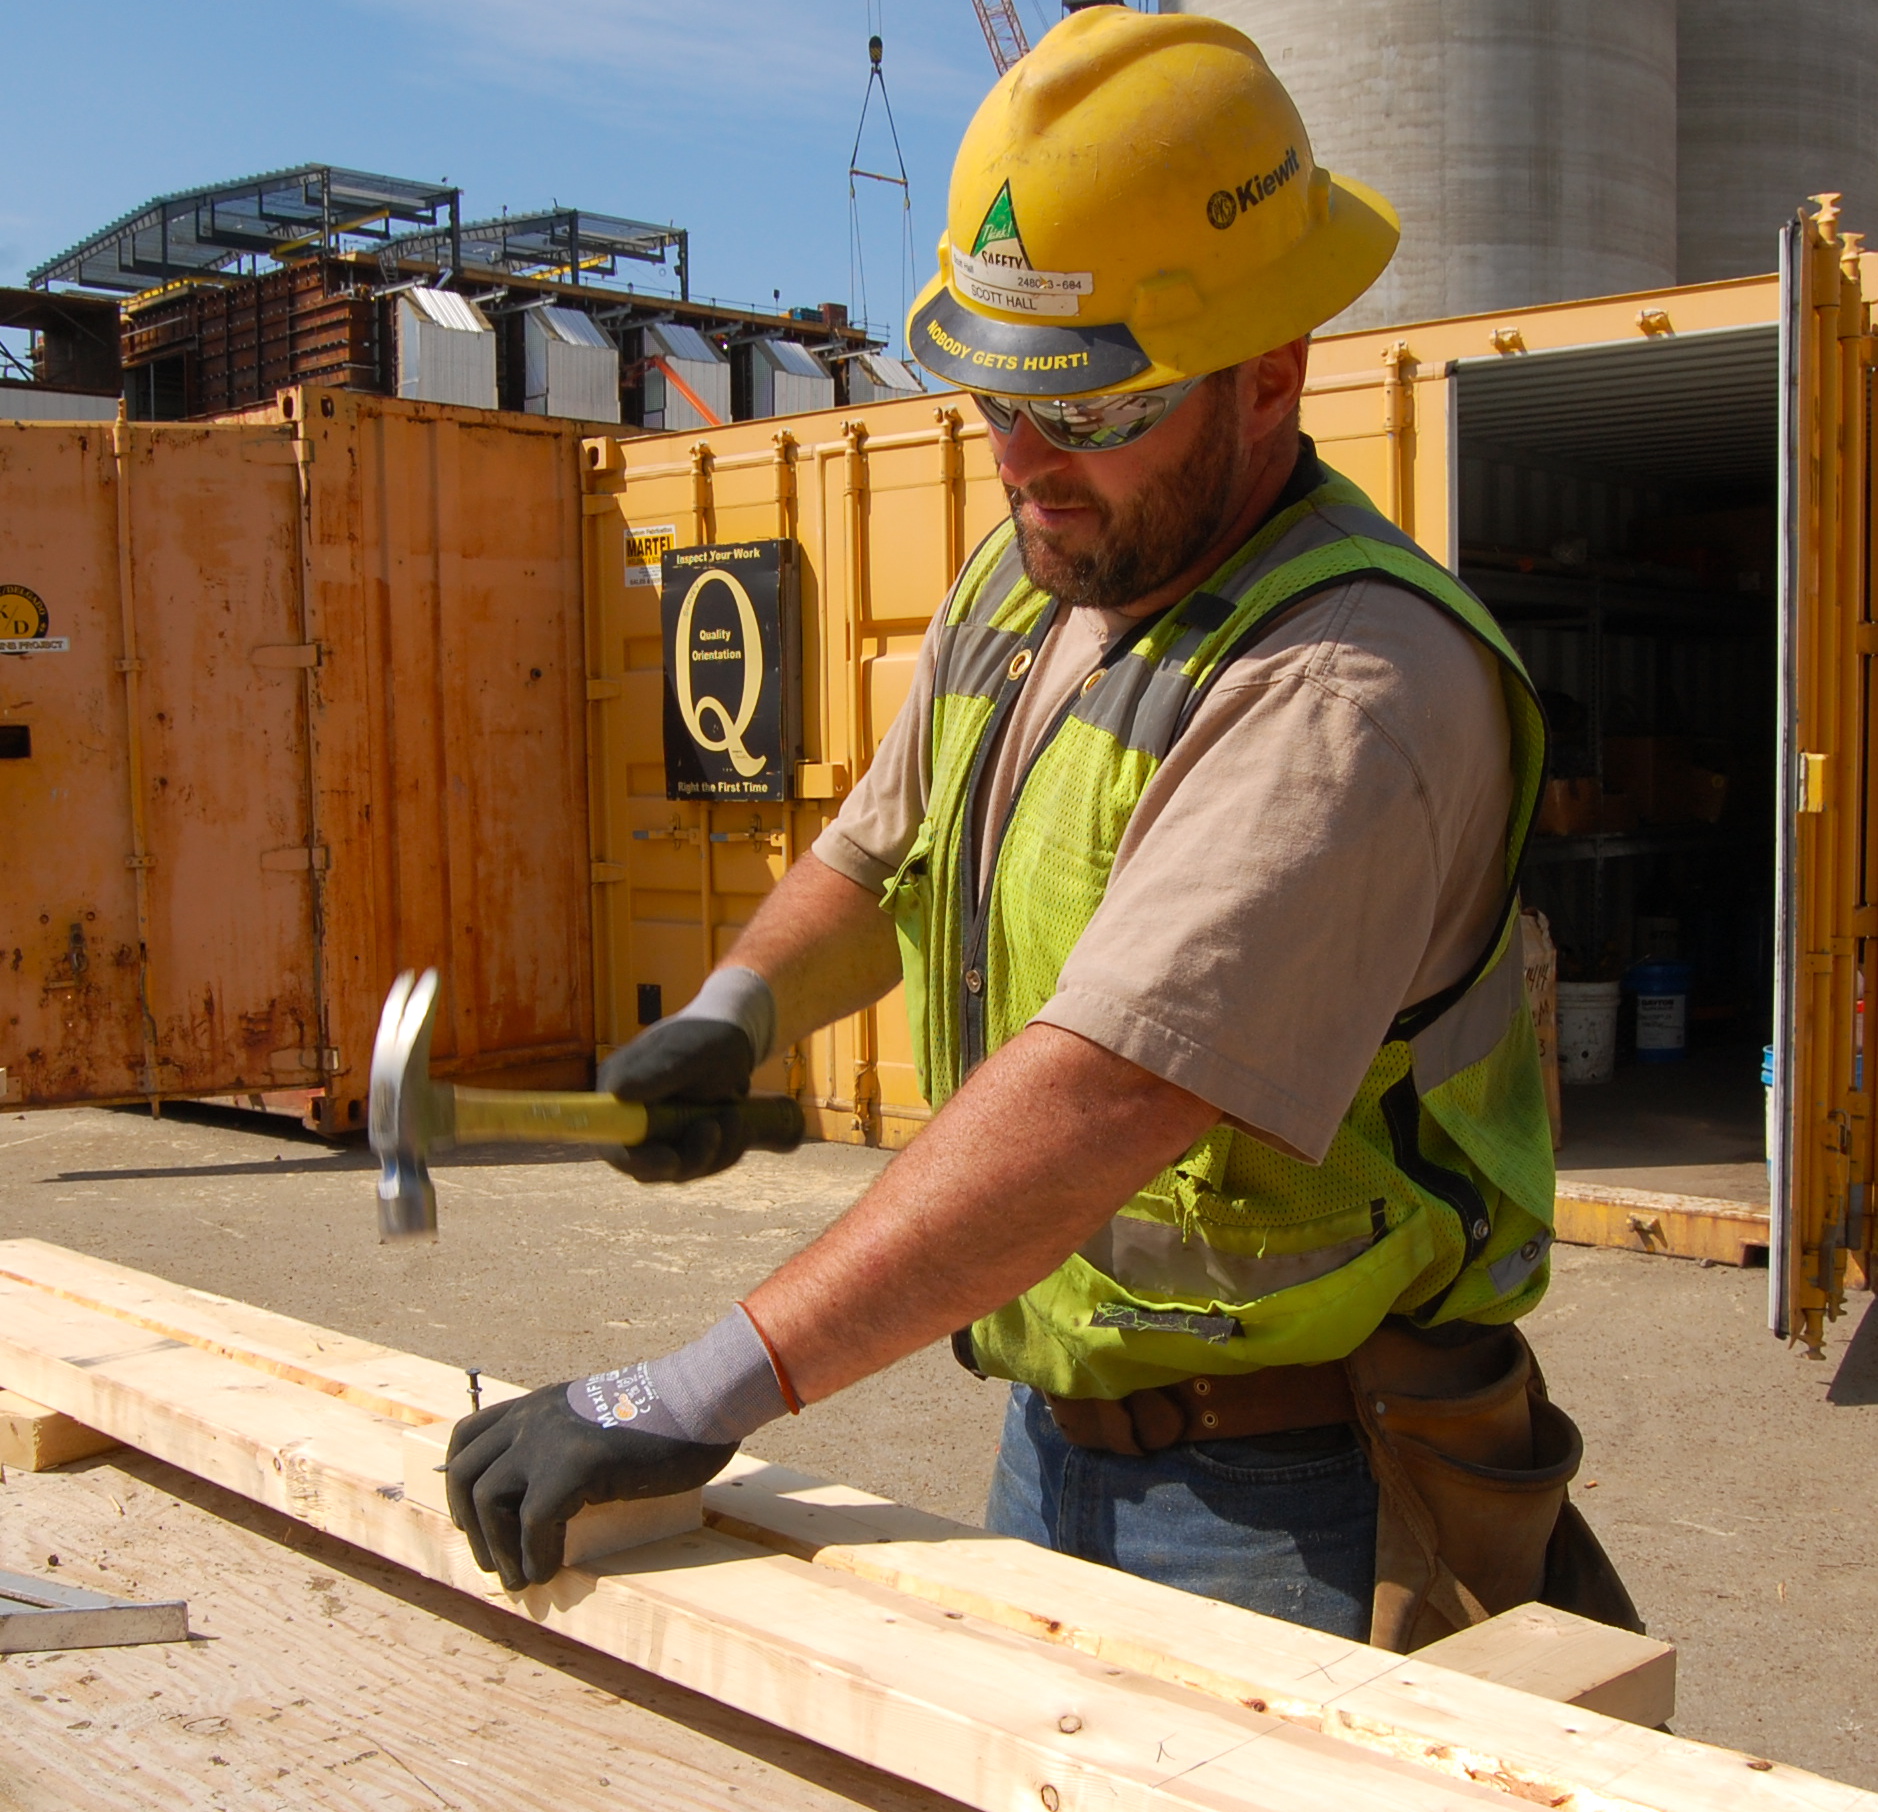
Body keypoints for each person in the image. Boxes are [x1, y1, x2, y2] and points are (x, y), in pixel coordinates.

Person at [445, 8, 1577, 1649]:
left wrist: (686, 1391)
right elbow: (874, 850)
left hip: (1298, 1485)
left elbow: (1109, 1092)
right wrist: (728, 1018)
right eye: (991, 399)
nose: (1025, 464)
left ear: (1269, 376)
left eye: (1094, 411)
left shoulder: (1351, 686)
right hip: (1054, 1426)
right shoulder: (1047, 567)